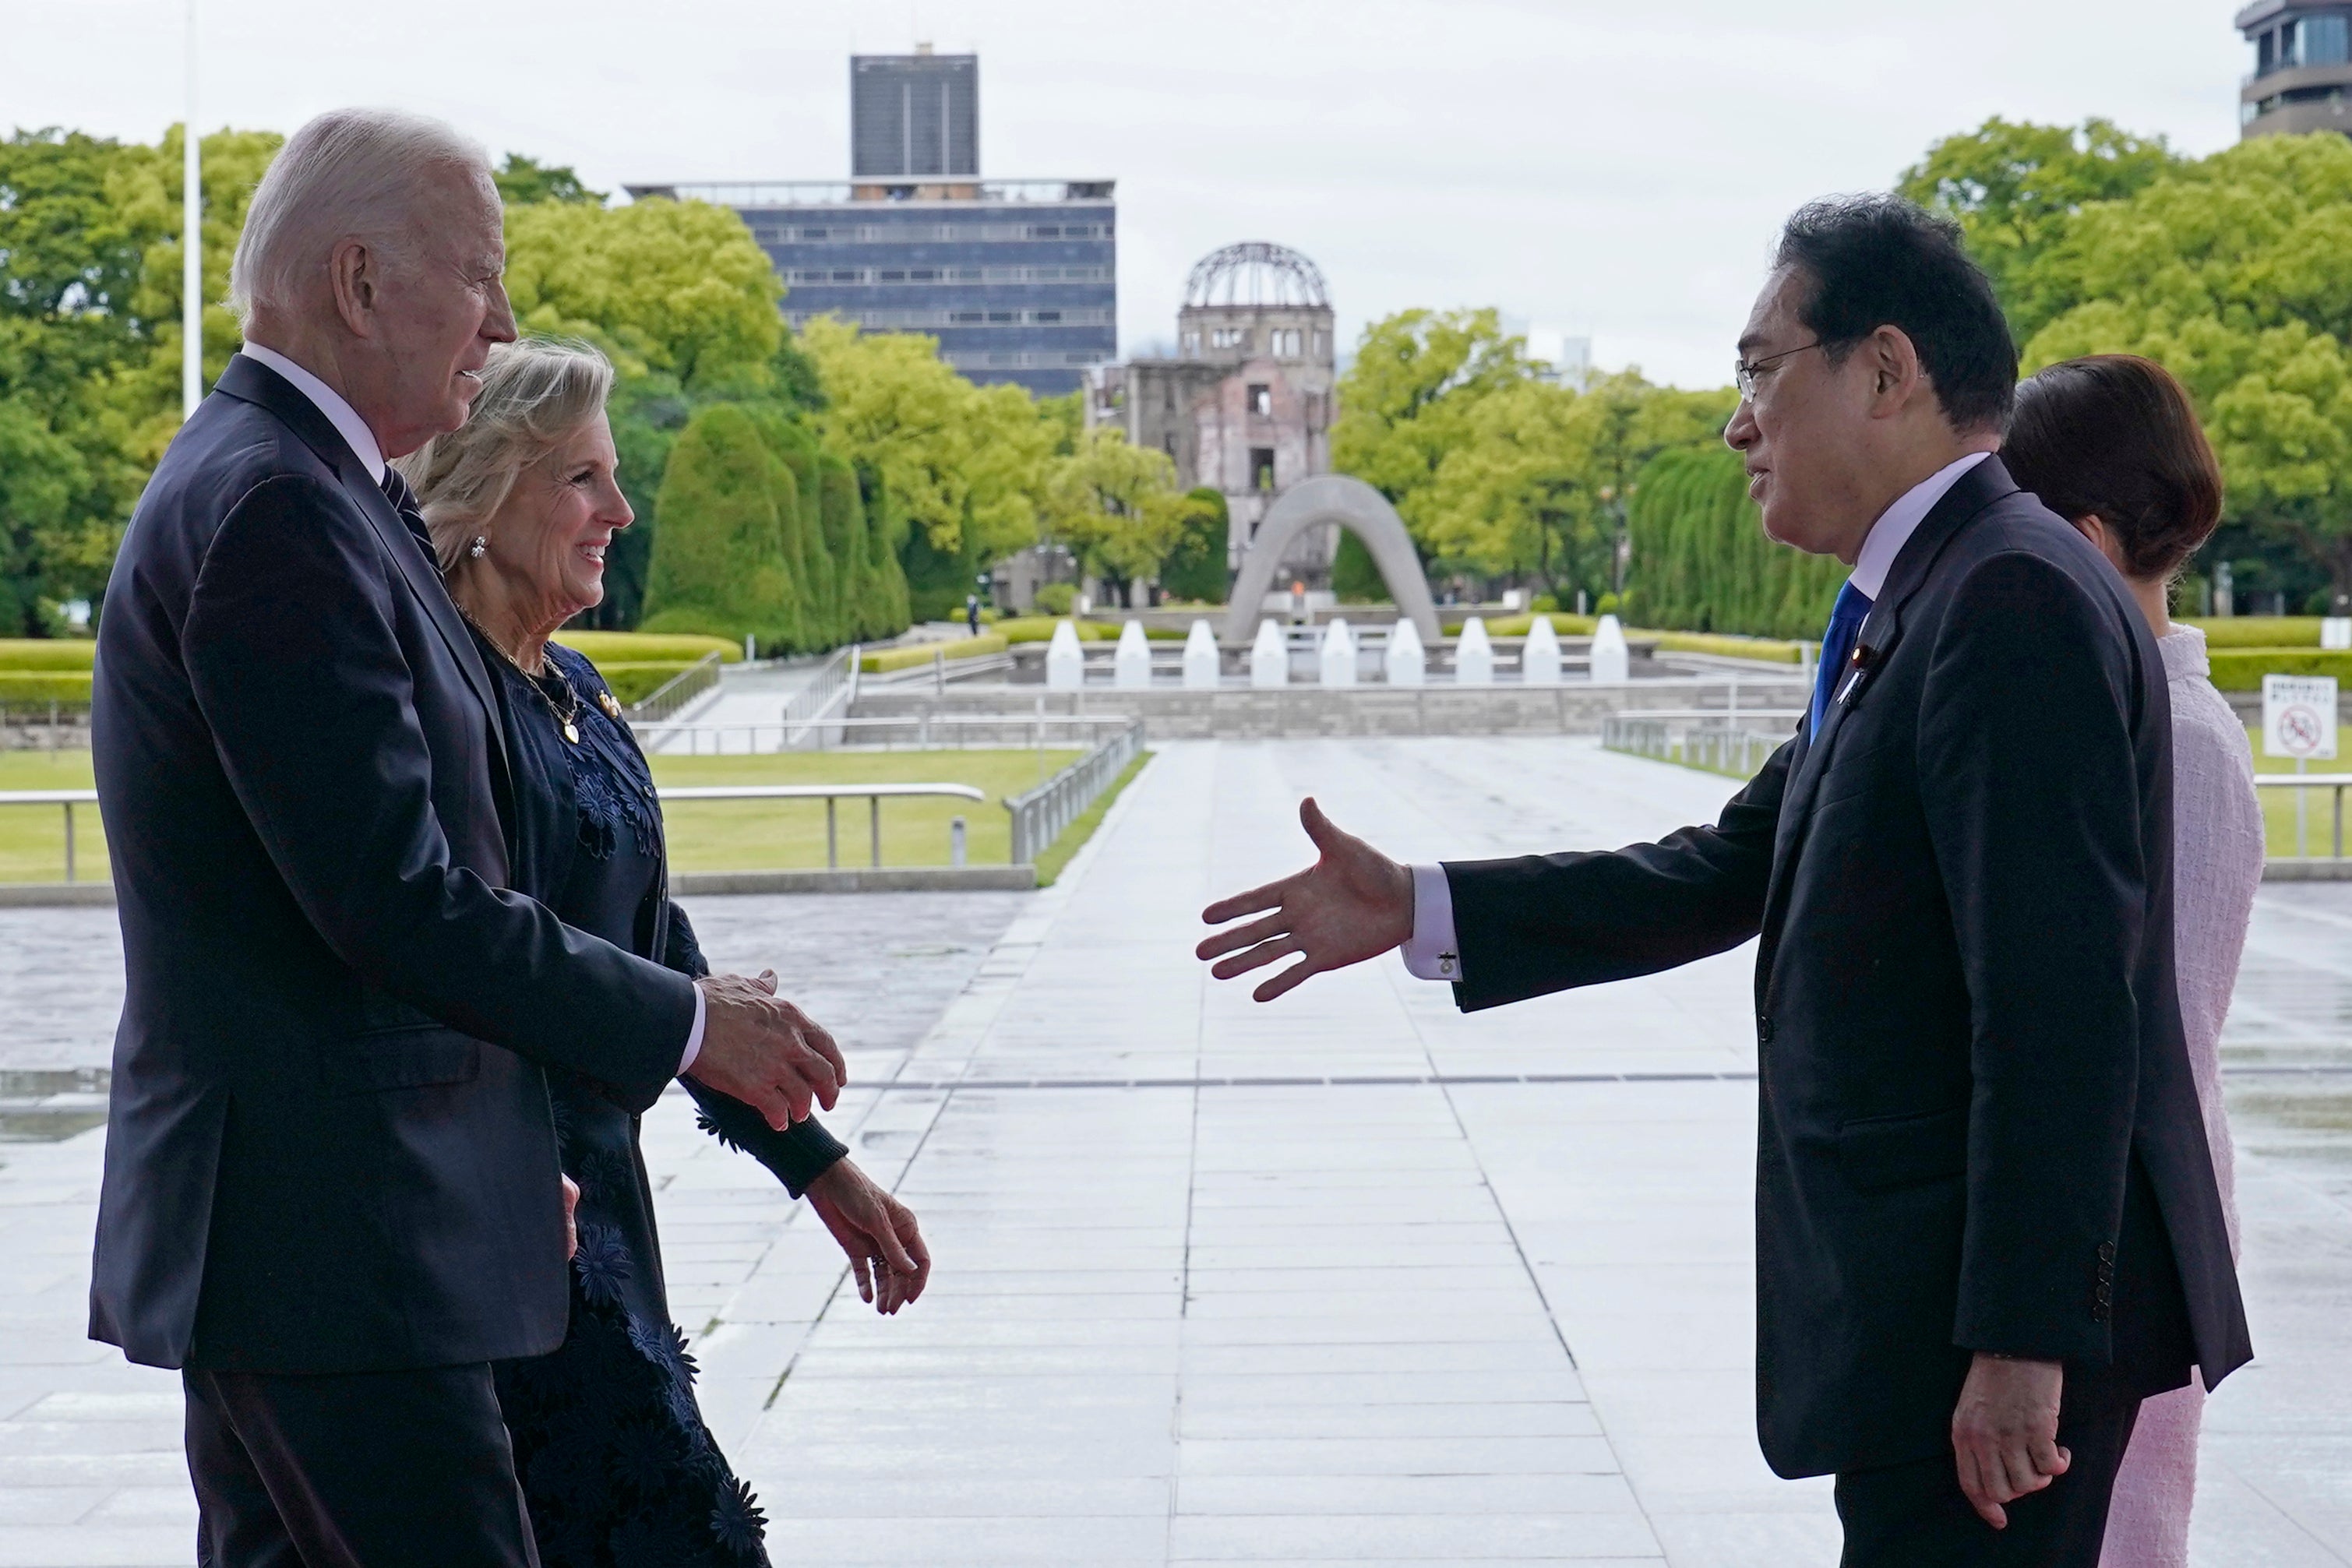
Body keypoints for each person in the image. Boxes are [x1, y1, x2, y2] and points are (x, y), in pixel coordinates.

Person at [1196, 195, 2251, 1566]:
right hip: (1916, 1326)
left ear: (1885, 369)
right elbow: (1737, 859)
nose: (1739, 422)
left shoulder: (2010, 597)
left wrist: (2021, 1344)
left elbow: (2060, 1007)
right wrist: (1425, 902)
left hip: (1978, 1356)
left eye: (1759, 369)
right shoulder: (1930, 593)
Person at [90, 108, 848, 1565]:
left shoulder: (316, 489)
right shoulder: (274, 508)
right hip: (338, 1251)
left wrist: (506, 1147)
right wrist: (693, 1025)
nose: (499, 326)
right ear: (362, 283)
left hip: (323, 1235)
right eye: (480, 278)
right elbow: (398, 902)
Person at [394, 337, 931, 1564]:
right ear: (486, 491)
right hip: (518, 1225)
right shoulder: (443, 702)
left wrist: (819, 1165)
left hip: (610, 1219)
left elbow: (658, 954)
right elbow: (458, 956)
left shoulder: (573, 686)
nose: (621, 513)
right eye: (583, 478)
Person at [2000, 355, 2260, 1568]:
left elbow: (2146, 1039)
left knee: (2127, 1531)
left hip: (2132, 1230)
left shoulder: (2181, 743)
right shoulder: (2125, 718)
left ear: (2088, 540)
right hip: (2106, 1225)